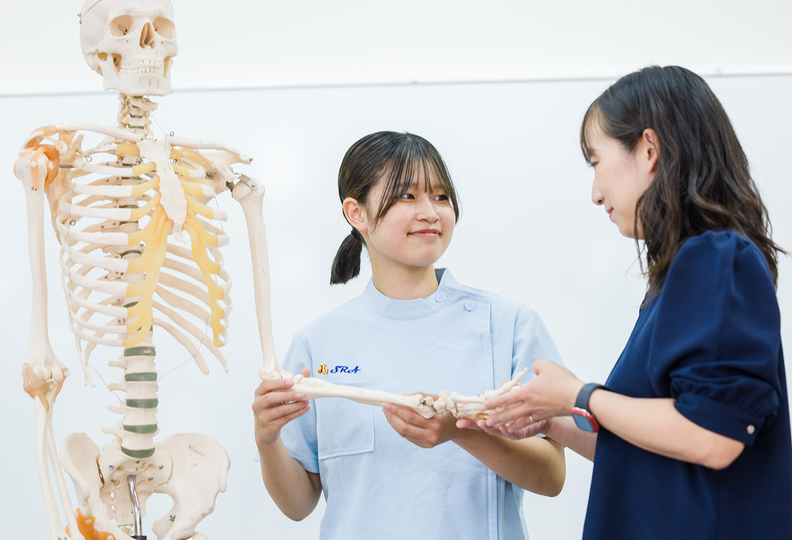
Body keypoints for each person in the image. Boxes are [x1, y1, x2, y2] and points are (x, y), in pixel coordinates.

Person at [473, 65, 792, 539]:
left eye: (596, 162)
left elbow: (713, 436)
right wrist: (552, 421)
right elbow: (656, 444)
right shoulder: (684, 274)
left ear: (648, 150)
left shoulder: (716, 258)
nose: (596, 193)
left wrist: (578, 395)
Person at [252, 131, 566, 540]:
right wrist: (267, 438)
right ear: (357, 213)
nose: (430, 213)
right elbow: (298, 505)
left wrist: (458, 432)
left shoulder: (509, 325)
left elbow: (553, 476)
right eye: (407, 197)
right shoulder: (318, 345)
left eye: (440, 197)